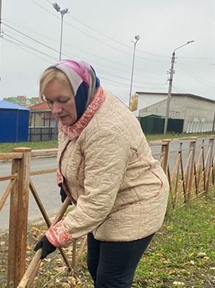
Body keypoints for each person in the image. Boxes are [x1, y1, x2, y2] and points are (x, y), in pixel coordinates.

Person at [34, 59, 169, 288]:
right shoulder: (79, 111)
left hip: (136, 203)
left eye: (62, 100)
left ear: (81, 92)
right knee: (95, 264)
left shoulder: (106, 129)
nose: (56, 109)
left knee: (111, 280)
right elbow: (69, 148)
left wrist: (55, 237)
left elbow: (97, 203)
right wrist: (64, 181)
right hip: (110, 201)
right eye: (50, 101)